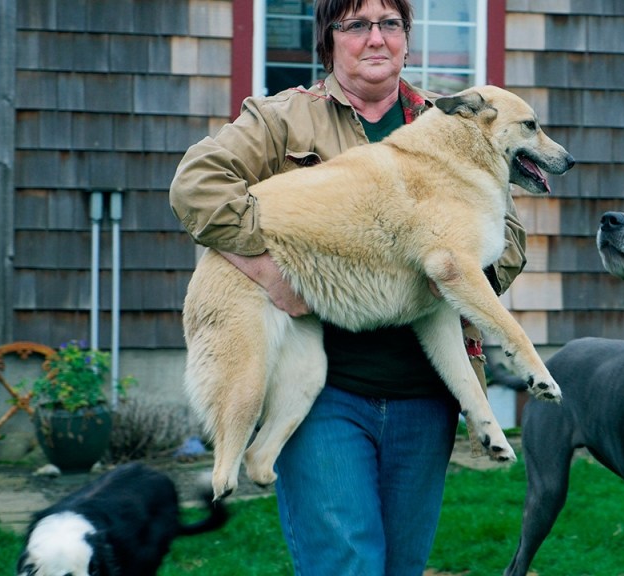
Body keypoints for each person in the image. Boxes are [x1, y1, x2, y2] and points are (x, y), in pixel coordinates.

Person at [168, 1, 528, 574]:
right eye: (357, 25)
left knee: (402, 567)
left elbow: (506, 235)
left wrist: (456, 277)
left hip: (425, 393)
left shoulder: (453, 123)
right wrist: (272, 274)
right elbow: (197, 186)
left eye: (390, 25)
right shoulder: (281, 119)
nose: (376, 39)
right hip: (325, 394)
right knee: (346, 565)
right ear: (329, 41)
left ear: (407, 40)